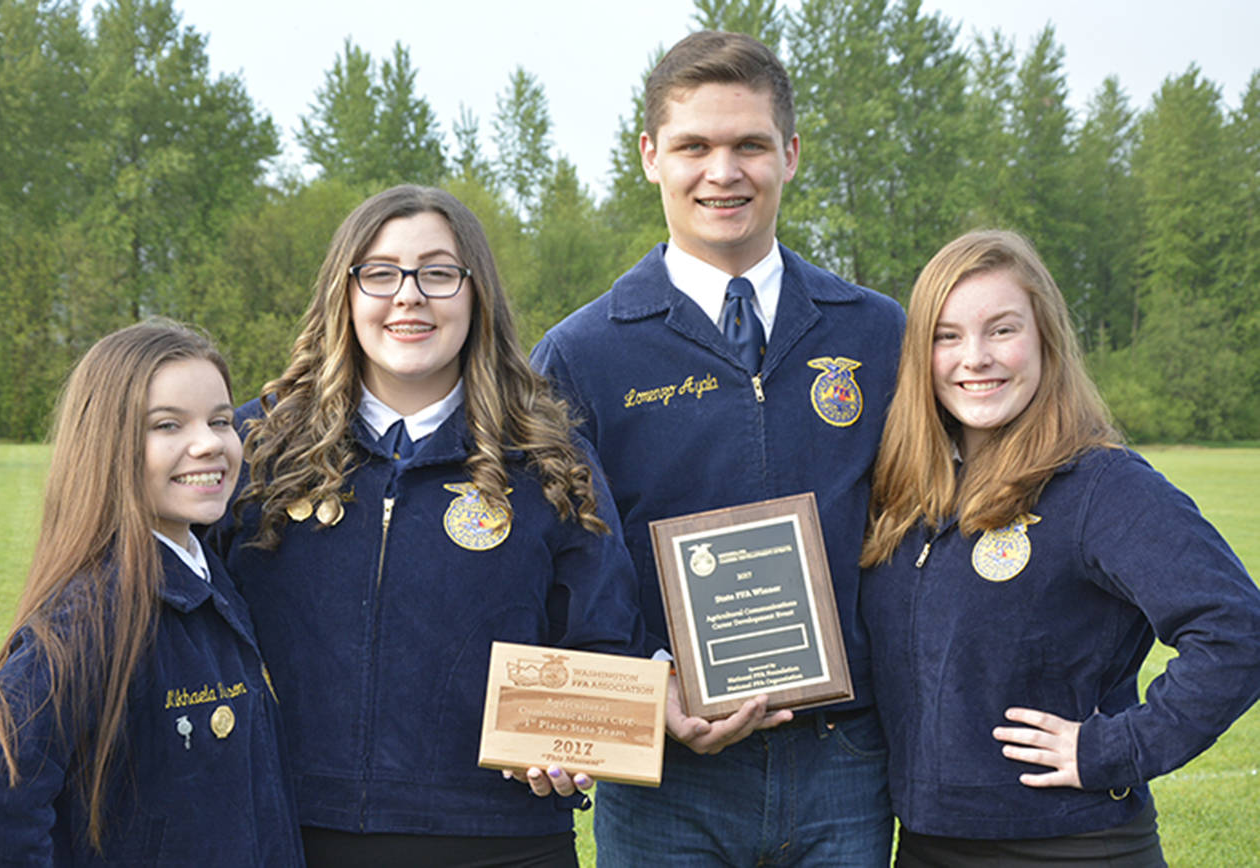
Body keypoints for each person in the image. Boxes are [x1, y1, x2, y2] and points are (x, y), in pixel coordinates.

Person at [531, 30, 904, 867]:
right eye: (695, 146)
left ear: (792, 155)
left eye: (750, 146)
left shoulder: (878, 333)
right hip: (667, 780)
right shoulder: (580, 354)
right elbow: (556, 561)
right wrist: (648, 689)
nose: (723, 172)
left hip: (844, 759)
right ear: (650, 156)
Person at [204, 184, 644, 867]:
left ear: (476, 294)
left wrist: (571, 745)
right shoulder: (253, 447)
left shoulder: (551, 455)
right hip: (288, 833)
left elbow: (605, 640)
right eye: (380, 273)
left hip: (502, 841)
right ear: (344, 294)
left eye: (438, 272)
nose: (409, 295)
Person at [858, 229, 1260, 866]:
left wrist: (1112, 749)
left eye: (1002, 330)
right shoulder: (905, 494)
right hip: (927, 845)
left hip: (1070, 846)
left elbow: (1238, 629)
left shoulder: (1101, 486)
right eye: (948, 335)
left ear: (1044, 338)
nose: (975, 357)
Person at [0, 320, 303, 865]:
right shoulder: (91, 614)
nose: (209, 443)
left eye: (220, 420)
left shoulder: (215, 583)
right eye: (168, 425)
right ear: (106, 443)